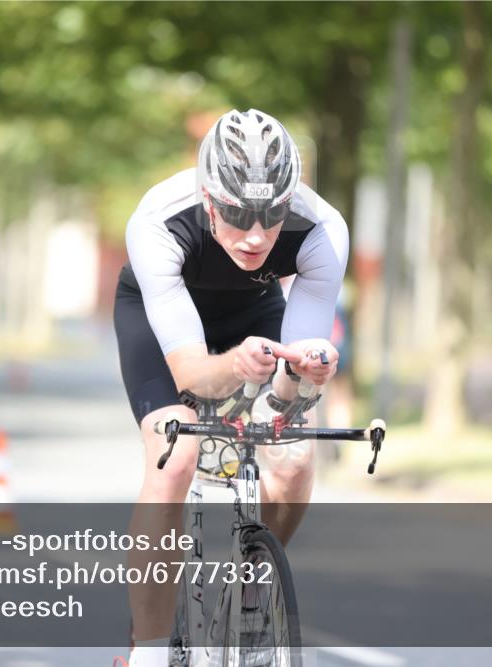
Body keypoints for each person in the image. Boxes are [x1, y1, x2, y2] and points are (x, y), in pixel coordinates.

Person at [113, 108, 349, 667]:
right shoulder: (159, 221)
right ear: (208, 197)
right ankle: (146, 653)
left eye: (271, 216)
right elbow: (193, 375)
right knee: (176, 456)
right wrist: (240, 367)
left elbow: (292, 382)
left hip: (255, 315)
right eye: (238, 214)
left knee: (291, 459)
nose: (255, 234)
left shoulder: (322, 230)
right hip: (162, 324)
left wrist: (305, 373)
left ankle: (252, 591)